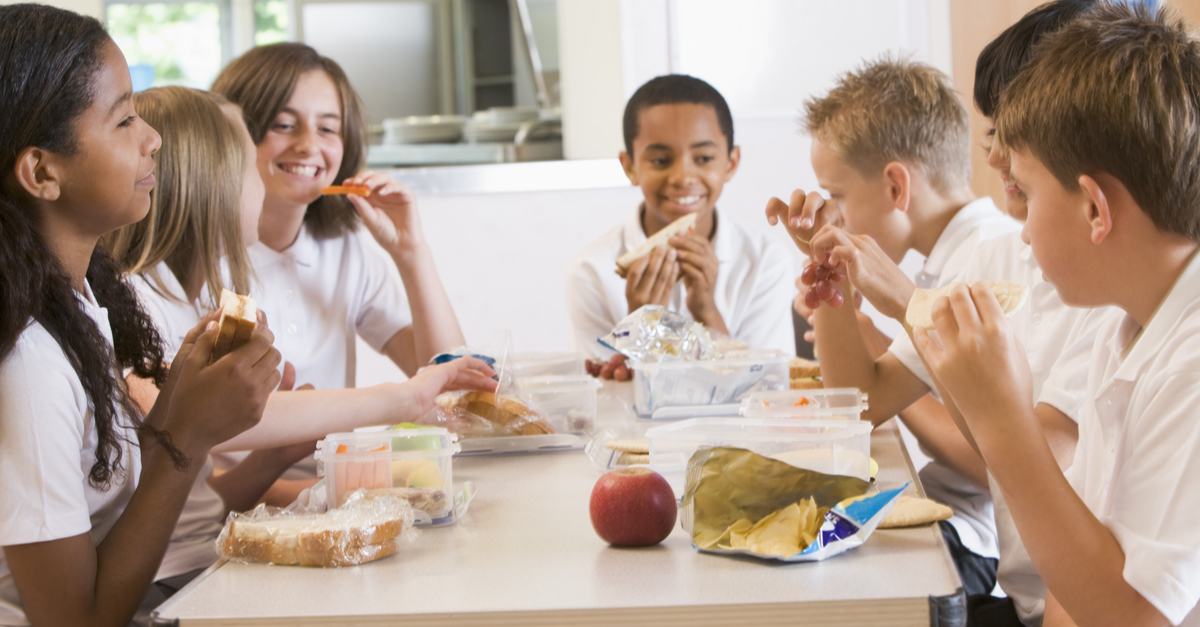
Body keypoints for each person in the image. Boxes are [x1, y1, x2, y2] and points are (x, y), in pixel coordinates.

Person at [767, 2, 1105, 624]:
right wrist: (832, 274)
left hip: (1029, 585)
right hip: (1035, 595)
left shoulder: (1098, 288)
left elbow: (1032, 462)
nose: (994, 157)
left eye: (1011, 136)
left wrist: (907, 305)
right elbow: (864, 401)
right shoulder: (1002, 253)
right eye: (994, 133)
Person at [102, 86, 498, 602]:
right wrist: (405, 398)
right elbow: (174, 413)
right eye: (250, 164)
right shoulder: (137, 297)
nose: (307, 146)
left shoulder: (188, 297)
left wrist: (275, 460)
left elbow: (197, 493)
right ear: (213, 183)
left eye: (328, 127)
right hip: (174, 578)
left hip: (202, 560)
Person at [918, 4, 1200, 626]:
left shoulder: (1191, 365)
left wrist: (1003, 419)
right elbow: (1071, 580)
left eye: (1029, 191)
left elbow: (1133, 616)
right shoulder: (1125, 330)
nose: (1022, 233)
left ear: (1094, 209)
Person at [0, 6, 280, 625]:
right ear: (42, 171)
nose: (151, 138)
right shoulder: (27, 363)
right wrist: (186, 440)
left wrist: (177, 411)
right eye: (124, 119)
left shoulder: (79, 304)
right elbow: (73, 620)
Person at [770, 56, 1021, 600]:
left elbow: (991, 462)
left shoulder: (989, 256)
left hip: (979, 543)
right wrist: (827, 267)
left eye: (836, 195)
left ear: (894, 186)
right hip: (948, 512)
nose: (831, 211)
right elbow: (860, 400)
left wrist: (902, 321)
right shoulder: (949, 257)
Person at [211, 43, 468, 477]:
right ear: (232, 136)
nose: (308, 145)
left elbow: (449, 380)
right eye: (284, 124)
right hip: (233, 502)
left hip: (333, 491)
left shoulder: (345, 252)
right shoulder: (199, 260)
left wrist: (411, 253)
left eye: (328, 129)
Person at [567, 74, 794, 378]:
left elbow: (771, 387)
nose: (684, 177)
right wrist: (642, 326)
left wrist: (706, 310)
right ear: (630, 166)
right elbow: (604, 392)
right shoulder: (592, 272)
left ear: (730, 163)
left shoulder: (766, 261)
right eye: (661, 161)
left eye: (703, 158)